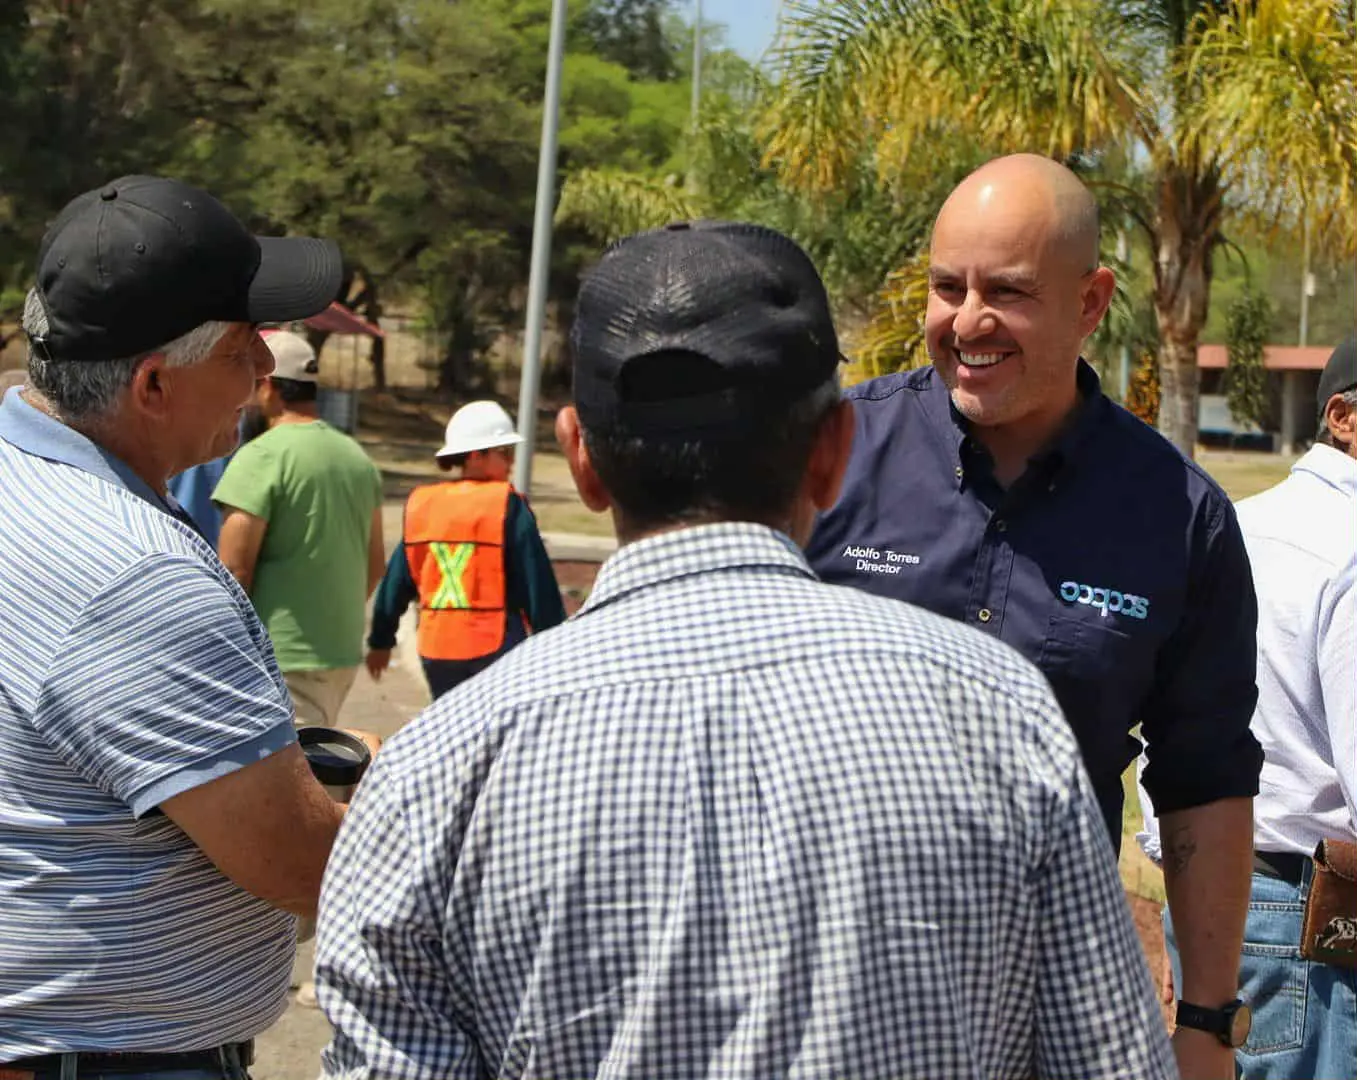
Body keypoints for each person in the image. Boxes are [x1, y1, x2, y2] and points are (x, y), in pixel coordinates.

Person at [313, 221, 1175, 1080]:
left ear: (581, 456)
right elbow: (1109, 1061)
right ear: (835, 451)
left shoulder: (435, 770)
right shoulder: (1004, 714)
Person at [806, 152, 1263, 1078]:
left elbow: (1204, 783)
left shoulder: (1180, 517)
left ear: (1090, 302)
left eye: (1006, 292)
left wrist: (1208, 1022)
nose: (966, 321)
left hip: (1043, 1012)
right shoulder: (828, 455)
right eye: (946, 286)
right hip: (814, 988)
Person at [0, 175, 347, 1074]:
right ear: (153, 383)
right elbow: (295, 862)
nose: (267, 373)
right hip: (110, 1056)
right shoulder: (136, 573)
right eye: (244, 349)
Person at [1142, 335, 1357, 1078]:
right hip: (1315, 935)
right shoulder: (1350, 548)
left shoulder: (1229, 522)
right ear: (1342, 418)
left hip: (1217, 898)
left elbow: (1166, 733)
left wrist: (1189, 918)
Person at [214, 329, 385, 729]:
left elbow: (234, 570)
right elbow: (375, 563)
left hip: (279, 659)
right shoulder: (356, 458)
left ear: (268, 388)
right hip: (339, 656)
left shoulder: (261, 455)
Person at [365, 399, 566, 699]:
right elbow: (537, 584)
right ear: (475, 456)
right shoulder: (507, 505)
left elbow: (397, 582)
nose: (512, 462)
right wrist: (556, 646)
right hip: (494, 644)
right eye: (505, 452)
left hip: (437, 649)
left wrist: (381, 641)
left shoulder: (424, 505)